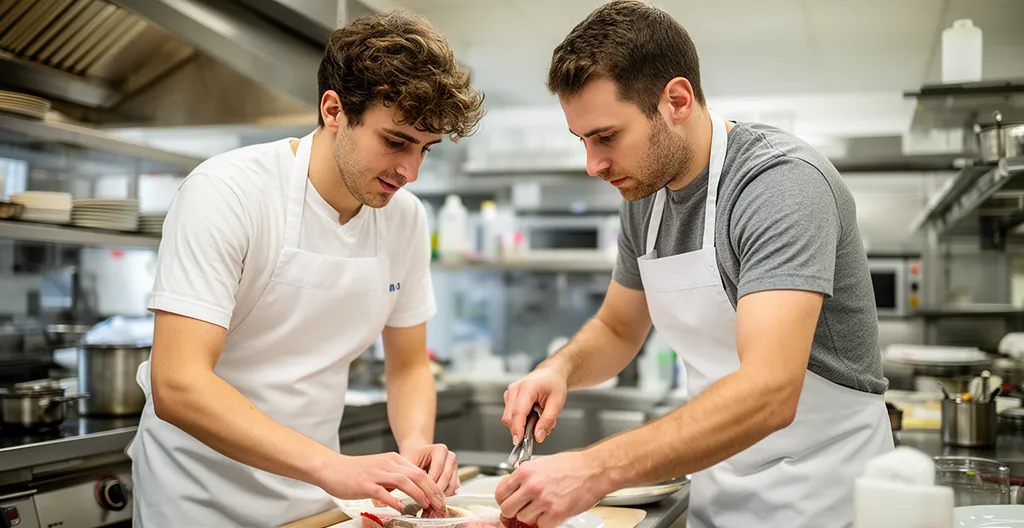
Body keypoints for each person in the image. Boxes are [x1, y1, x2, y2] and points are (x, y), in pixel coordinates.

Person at [497, 2, 893, 527]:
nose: (593, 165)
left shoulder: (779, 185)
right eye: (583, 141)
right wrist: (559, 368)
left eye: (607, 136)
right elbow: (618, 329)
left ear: (676, 101)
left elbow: (771, 391)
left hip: (826, 497)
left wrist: (594, 468)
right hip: (718, 494)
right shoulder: (643, 196)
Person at [126, 10, 485, 526]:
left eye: (424, 150)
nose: (410, 172)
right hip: (198, 500)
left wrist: (417, 450)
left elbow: (408, 364)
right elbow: (177, 383)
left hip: (316, 502)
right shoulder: (227, 193)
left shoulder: (404, 218)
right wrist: (330, 466)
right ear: (334, 110)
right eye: (395, 141)